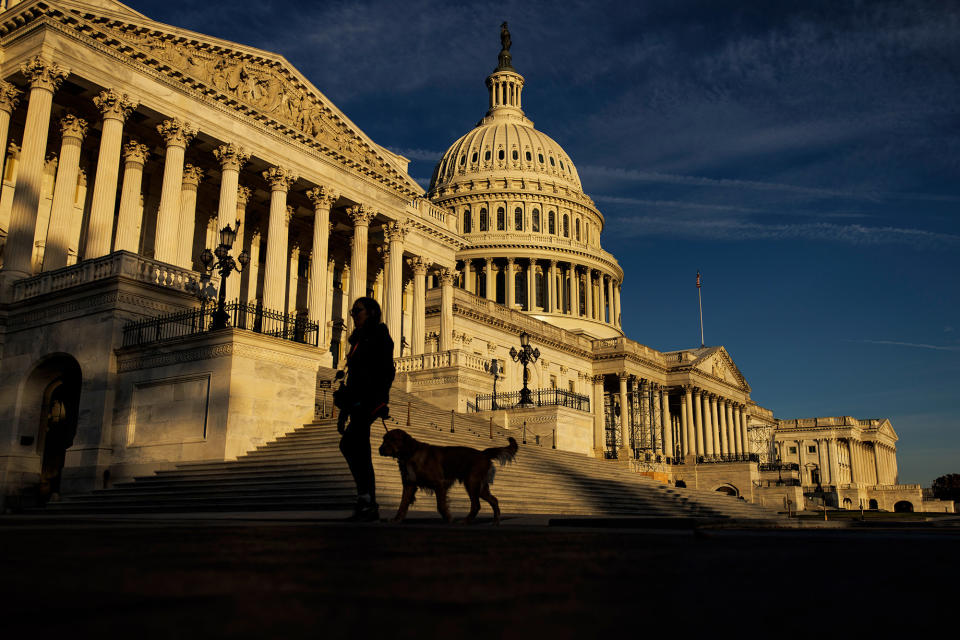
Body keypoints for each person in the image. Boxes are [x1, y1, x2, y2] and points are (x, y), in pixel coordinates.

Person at [337, 296, 395, 522]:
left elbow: (386, 371)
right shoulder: (358, 339)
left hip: (369, 401)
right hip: (356, 401)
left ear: (371, 312)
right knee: (354, 447)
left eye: (358, 310)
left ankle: (367, 499)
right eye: (352, 311)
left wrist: (380, 400)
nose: (353, 314)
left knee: (353, 445)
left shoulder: (379, 335)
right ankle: (366, 498)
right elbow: (353, 378)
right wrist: (343, 411)